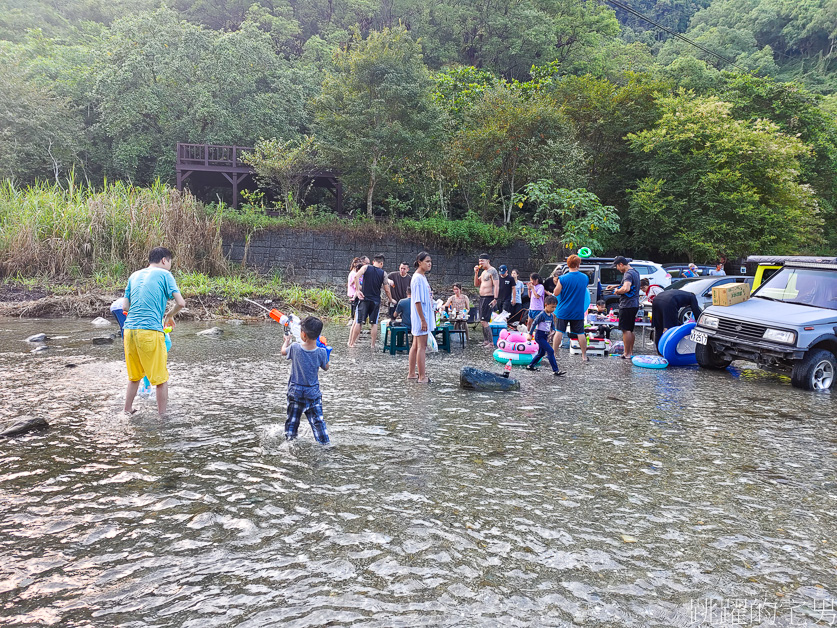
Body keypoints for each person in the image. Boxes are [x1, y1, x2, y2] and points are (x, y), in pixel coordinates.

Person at [122, 246, 186, 416]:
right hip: (150, 331)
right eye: (170, 262)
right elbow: (181, 303)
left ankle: (127, 410)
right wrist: (168, 316)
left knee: (134, 376)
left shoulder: (134, 275)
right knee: (161, 379)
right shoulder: (165, 274)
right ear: (164, 260)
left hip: (129, 331)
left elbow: (125, 306)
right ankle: (162, 417)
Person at [281, 315, 330, 445]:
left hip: (295, 392)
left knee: (292, 422)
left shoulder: (295, 348)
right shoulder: (321, 352)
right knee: (318, 423)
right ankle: (325, 444)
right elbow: (326, 367)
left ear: (303, 335)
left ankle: (289, 442)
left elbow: (283, 352)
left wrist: (287, 340)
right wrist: (325, 350)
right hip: (313, 393)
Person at [349, 254, 393, 348]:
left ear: (373, 262)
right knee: (374, 323)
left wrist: (357, 291)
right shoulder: (383, 273)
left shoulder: (365, 267)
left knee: (359, 322)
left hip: (364, 298)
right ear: (381, 263)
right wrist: (390, 299)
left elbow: (356, 277)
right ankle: (372, 345)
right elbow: (387, 289)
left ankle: (352, 343)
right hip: (375, 301)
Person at [552, 254, 590, 361]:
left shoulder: (562, 278)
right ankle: (584, 356)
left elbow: (556, 292)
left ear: (568, 264)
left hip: (563, 310)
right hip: (578, 310)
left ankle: (554, 354)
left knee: (559, 331)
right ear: (578, 264)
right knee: (580, 333)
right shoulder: (585, 278)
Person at [409, 251, 434, 383]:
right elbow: (417, 301)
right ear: (420, 262)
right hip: (421, 317)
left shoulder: (422, 277)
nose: (429, 264)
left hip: (422, 315)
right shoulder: (417, 278)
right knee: (421, 347)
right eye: (427, 261)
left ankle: (412, 373)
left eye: (430, 262)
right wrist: (423, 320)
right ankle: (421, 376)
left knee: (415, 345)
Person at [608, 256, 641, 360]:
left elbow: (626, 288)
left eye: (617, 266)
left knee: (625, 330)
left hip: (627, 305)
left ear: (621, 264)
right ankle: (630, 352)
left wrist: (617, 291)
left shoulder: (627, 274)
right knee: (630, 330)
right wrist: (615, 286)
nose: (617, 269)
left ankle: (626, 354)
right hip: (634, 304)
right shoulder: (635, 272)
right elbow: (630, 285)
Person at [526, 295, 566, 376]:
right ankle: (556, 370)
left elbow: (552, 325)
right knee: (550, 351)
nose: (553, 309)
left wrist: (553, 330)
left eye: (555, 307)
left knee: (541, 353)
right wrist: (530, 334)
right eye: (552, 307)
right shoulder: (542, 314)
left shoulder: (551, 316)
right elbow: (534, 323)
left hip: (545, 336)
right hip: (539, 336)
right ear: (546, 305)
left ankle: (530, 366)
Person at [473, 253, 499, 346]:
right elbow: (476, 284)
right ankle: (486, 341)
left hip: (489, 297)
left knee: (485, 321)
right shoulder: (483, 272)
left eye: (482, 261)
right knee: (481, 320)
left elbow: (496, 285)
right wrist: (476, 273)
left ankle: (491, 342)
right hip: (482, 298)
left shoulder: (493, 271)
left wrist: (495, 298)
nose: (480, 263)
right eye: (479, 261)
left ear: (488, 261)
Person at [347, 257, 363, 325]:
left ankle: (353, 321)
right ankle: (354, 322)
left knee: (353, 308)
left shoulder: (353, 273)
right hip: (354, 293)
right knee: (355, 310)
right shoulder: (354, 274)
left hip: (353, 293)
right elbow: (356, 286)